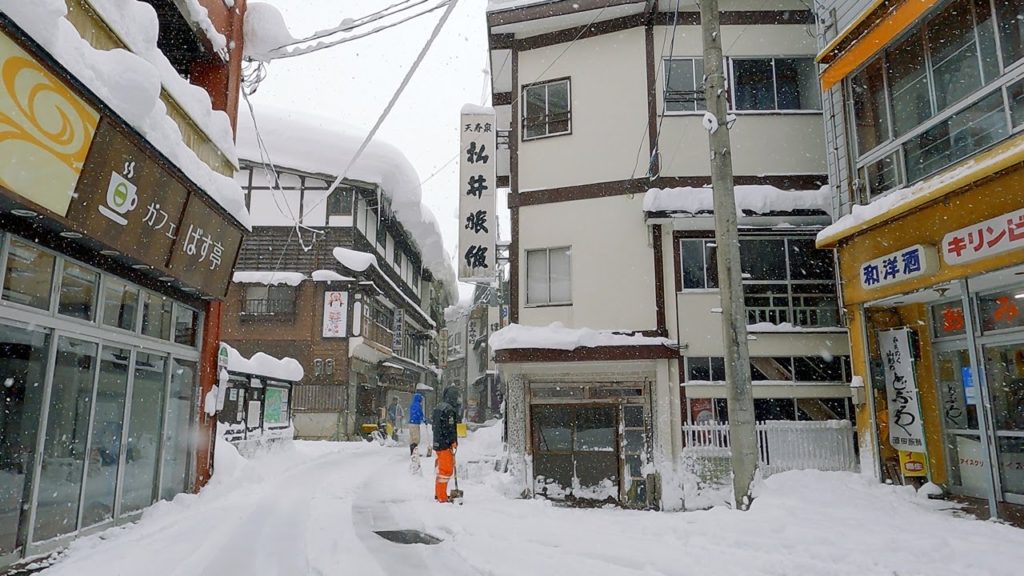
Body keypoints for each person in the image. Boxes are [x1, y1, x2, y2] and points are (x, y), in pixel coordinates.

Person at [432, 386, 459, 502]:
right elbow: (450, 428)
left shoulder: (438, 407)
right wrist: (453, 441)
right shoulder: (449, 410)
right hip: (445, 444)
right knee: (446, 470)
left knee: (442, 470)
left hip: (438, 442)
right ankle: (442, 496)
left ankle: (438, 493)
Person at [408, 392, 425, 474]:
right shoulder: (417, 405)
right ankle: (414, 454)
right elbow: (418, 413)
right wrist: (423, 418)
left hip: (411, 423)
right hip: (415, 423)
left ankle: (412, 453)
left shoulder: (413, 404)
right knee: (416, 439)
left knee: (412, 438)